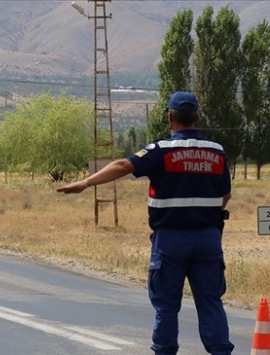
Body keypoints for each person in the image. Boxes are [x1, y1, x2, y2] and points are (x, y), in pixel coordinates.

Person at [56, 91, 234, 355]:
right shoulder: (216, 152)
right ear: (197, 117)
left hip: (170, 240)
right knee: (210, 303)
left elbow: (123, 165)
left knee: (166, 306)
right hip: (207, 239)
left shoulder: (160, 151)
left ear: (170, 118)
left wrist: (85, 182)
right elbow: (225, 194)